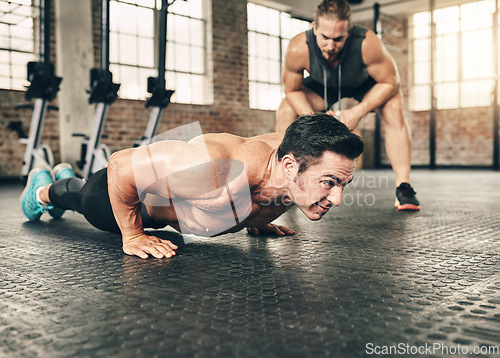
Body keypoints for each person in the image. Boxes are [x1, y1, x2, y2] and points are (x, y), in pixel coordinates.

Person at [20, 113, 363, 259]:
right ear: (289, 167)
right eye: (330, 184)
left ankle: (62, 174)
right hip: (132, 204)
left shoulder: (292, 164)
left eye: (342, 184)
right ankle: (42, 189)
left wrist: (257, 219)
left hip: (178, 208)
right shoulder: (214, 169)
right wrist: (134, 235)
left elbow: (264, 188)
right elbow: (121, 165)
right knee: (79, 196)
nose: (337, 197)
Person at [276, 0, 419, 211]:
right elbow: (292, 90)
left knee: (394, 108)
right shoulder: (299, 48)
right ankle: (284, 184)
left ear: (349, 31)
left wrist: (357, 112)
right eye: (325, 37)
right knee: (286, 109)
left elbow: (391, 82)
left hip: (365, 83)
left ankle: (403, 187)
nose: (331, 45)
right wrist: (316, 121)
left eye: (338, 39)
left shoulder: (367, 43)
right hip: (322, 85)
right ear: (314, 27)